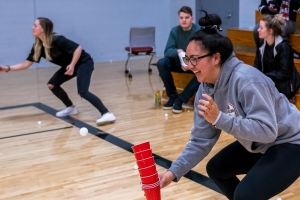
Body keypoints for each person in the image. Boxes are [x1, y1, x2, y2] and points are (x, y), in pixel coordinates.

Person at [159, 11, 300, 200]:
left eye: (195, 59)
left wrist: (220, 119)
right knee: (217, 169)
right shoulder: (204, 89)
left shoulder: (246, 79)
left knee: (245, 195)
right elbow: (200, 141)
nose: (190, 65)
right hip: (262, 143)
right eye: (188, 59)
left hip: (291, 142)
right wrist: (173, 172)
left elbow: (267, 131)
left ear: (216, 58)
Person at [0, 17, 116, 126]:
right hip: (70, 66)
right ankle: (71, 107)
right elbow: (26, 64)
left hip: (83, 63)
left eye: (35, 25)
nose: (32, 27)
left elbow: (78, 48)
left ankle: (106, 114)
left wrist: (72, 64)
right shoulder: (38, 46)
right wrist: (7, 68)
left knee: (83, 91)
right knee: (52, 85)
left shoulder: (57, 39)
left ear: (43, 29)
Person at [157, 6, 201, 113]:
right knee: (162, 63)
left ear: (192, 18)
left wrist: (190, 61)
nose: (184, 20)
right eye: (181, 18)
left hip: (194, 63)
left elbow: (201, 52)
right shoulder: (174, 31)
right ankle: (172, 96)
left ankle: (180, 99)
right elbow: (167, 51)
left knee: (203, 71)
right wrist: (179, 51)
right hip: (178, 62)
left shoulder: (198, 31)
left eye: (186, 17)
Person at [254, 14, 300, 101]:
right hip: (268, 79)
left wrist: (263, 76)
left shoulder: (284, 47)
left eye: (261, 28)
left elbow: (284, 73)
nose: (258, 30)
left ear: (270, 31)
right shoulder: (261, 44)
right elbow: (257, 65)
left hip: (284, 83)